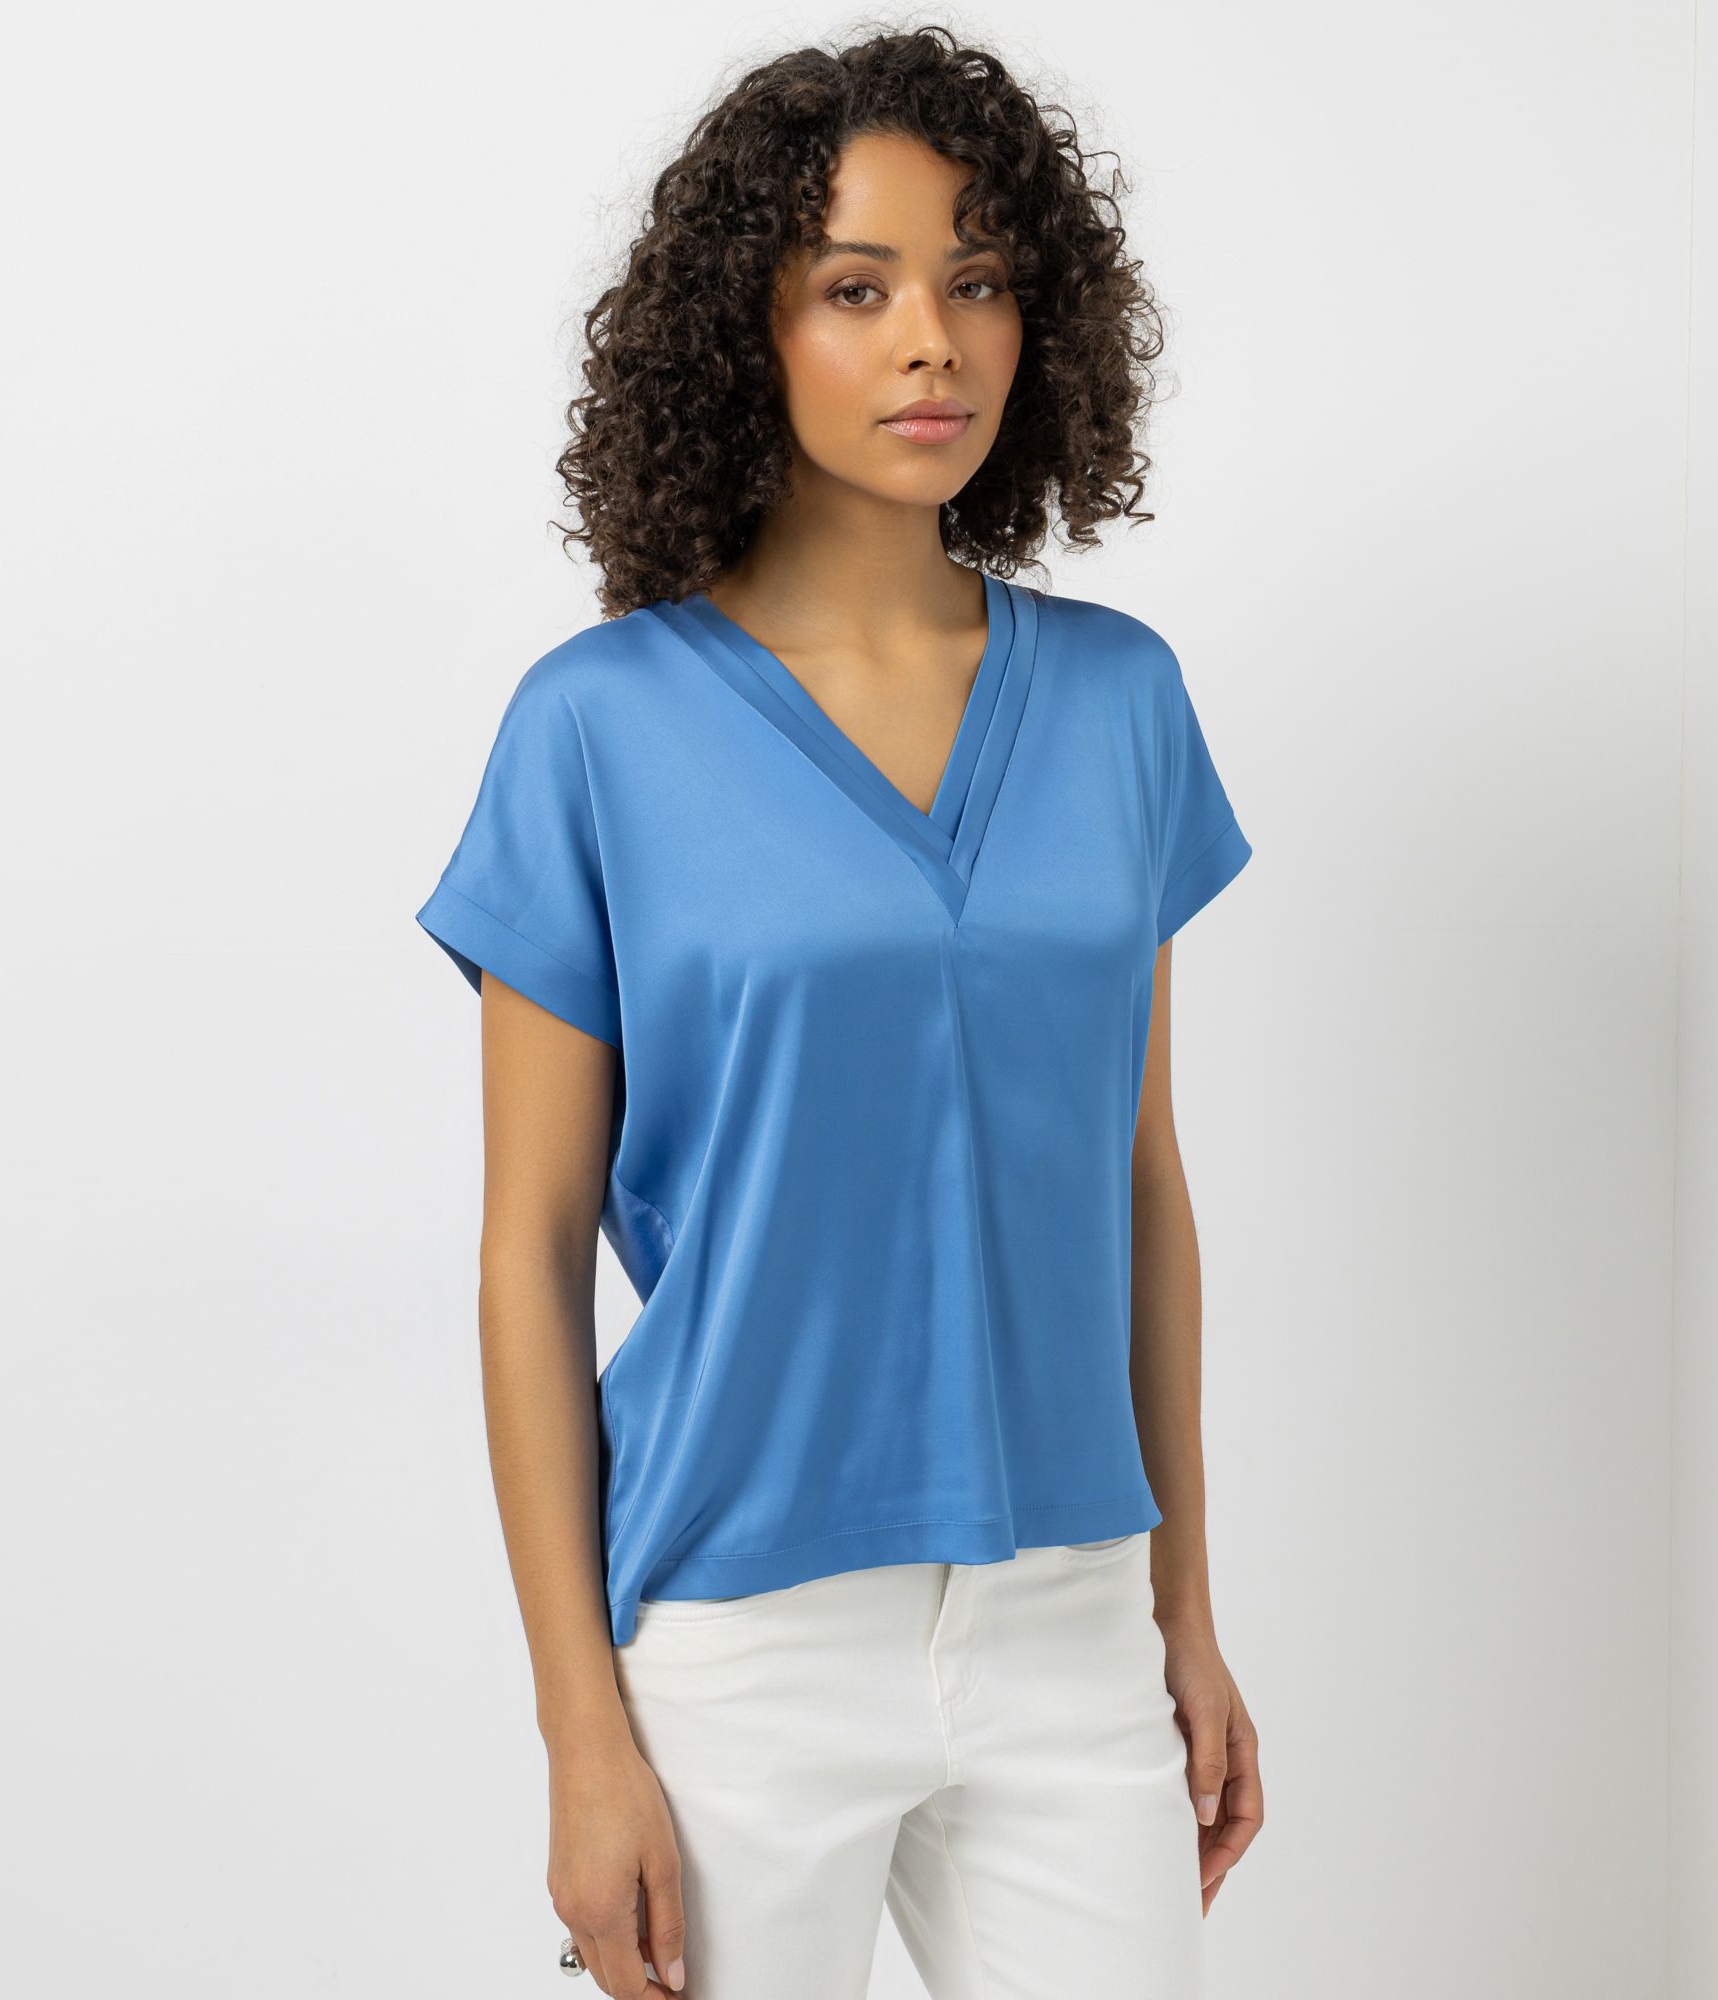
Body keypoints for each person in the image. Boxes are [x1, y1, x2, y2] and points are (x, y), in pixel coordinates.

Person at [415, 25, 1265, 1998]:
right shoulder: (596, 730)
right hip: (742, 1636)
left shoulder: (1122, 702)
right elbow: (528, 1252)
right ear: (750, 326)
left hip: (1070, 1623)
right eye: (857, 289)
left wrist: (1183, 1609)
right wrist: (581, 1732)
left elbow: (1140, 1179)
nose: (932, 344)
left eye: (978, 280)